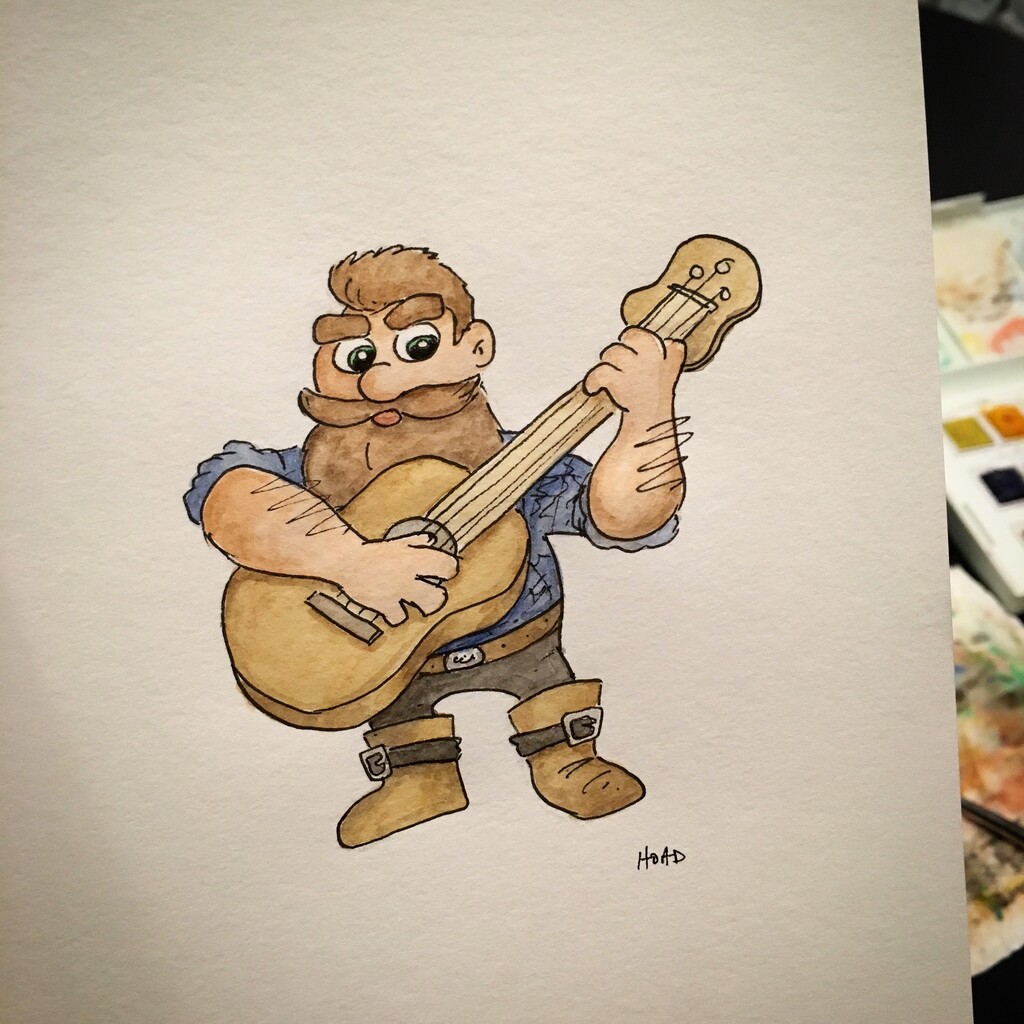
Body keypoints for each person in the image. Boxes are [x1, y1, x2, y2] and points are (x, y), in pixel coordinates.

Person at [184, 246, 688, 847]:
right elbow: (230, 495)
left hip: (519, 638)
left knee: (545, 689)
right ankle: (419, 778)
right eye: (356, 357)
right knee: (399, 712)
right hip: (387, 663)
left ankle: (565, 758)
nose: (378, 382)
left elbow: (624, 519)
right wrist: (350, 561)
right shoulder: (318, 474)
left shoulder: (522, 464)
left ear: (476, 346)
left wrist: (648, 414)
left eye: (416, 346)